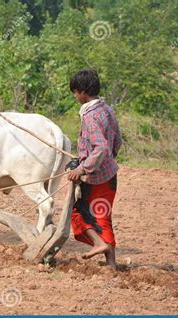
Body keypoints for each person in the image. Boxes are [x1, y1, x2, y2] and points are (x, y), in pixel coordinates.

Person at [67, 69, 122, 271]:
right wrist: (107, 161)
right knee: (103, 216)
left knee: (78, 213)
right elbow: (116, 141)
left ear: (82, 91)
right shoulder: (107, 109)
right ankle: (112, 265)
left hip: (95, 178)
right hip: (110, 174)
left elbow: (100, 147)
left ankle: (99, 244)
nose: (75, 96)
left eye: (75, 92)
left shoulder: (89, 116)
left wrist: (82, 168)